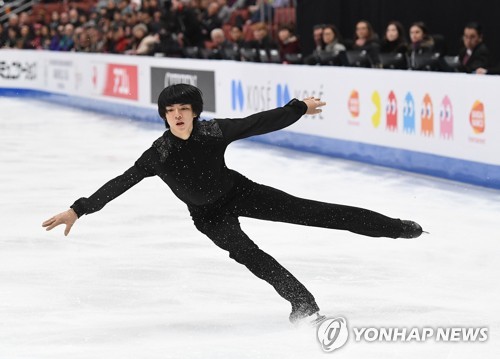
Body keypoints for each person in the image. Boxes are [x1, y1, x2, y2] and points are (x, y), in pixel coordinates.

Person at [42, 84, 424, 324]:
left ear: (195, 113)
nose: (177, 115)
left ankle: (397, 228)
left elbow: (257, 122)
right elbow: (120, 182)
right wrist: (79, 209)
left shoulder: (213, 131)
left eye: (184, 109)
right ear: (164, 116)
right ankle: (302, 303)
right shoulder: (158, 154)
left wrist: (297, 108)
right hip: (208, 216)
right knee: (249, 255)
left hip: (241, 192)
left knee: (316, 212)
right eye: (171, 111)